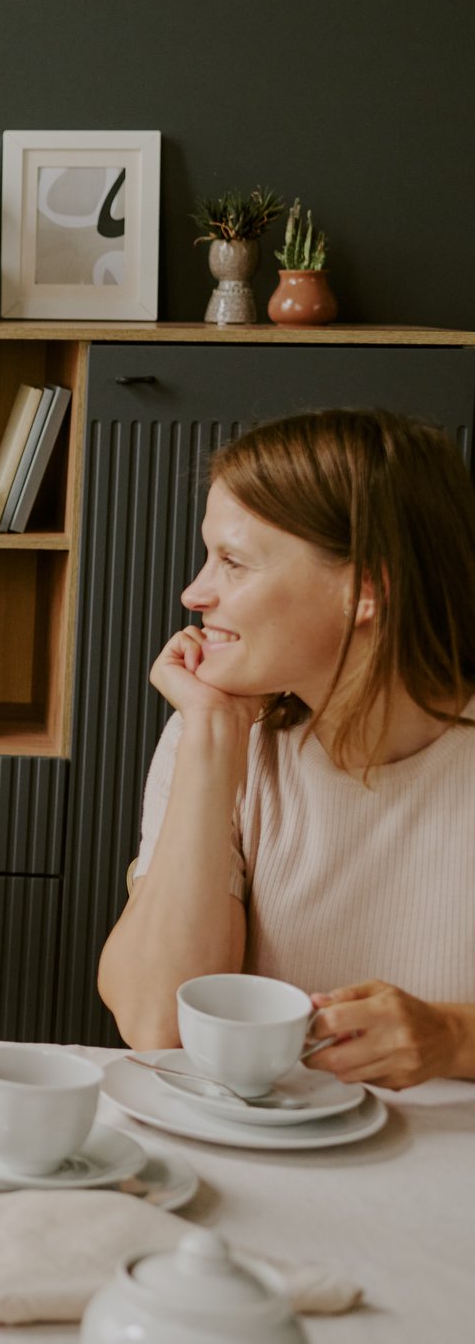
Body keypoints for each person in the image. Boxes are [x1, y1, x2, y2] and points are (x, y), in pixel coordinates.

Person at [97, 407, 475, 1089]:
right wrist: (211, 737)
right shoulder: (214, 734)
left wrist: (455, 1037)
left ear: (367, 589)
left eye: (233, 563)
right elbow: (157, 1022)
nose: (194, 592)